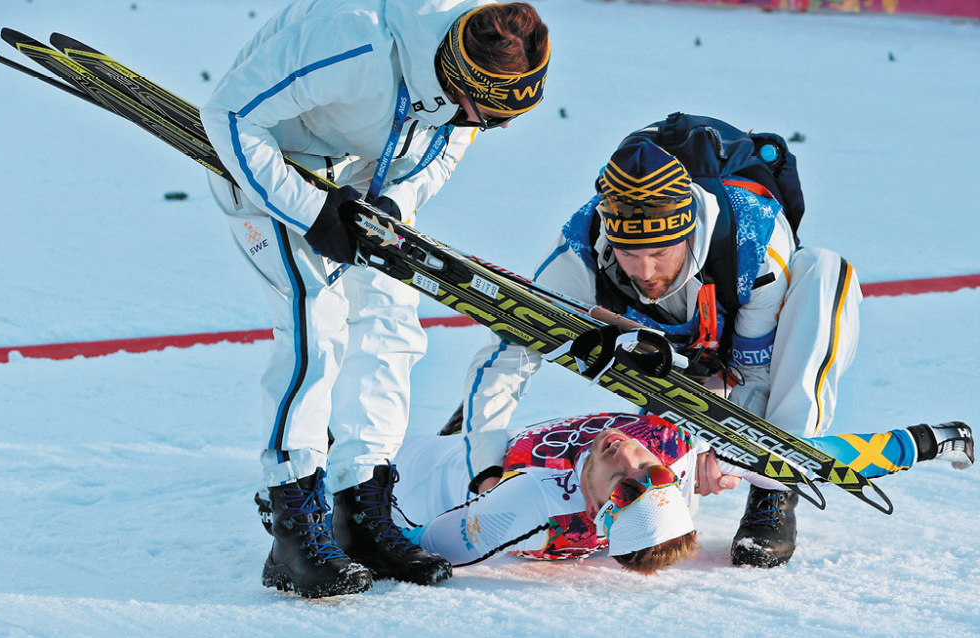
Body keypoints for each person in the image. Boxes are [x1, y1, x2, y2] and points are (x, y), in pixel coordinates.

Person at [199, 0, 550, 598]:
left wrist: (395, 204)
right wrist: (313, 211)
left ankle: (361, 510)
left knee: (391, 326)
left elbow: (446, 144)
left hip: (366, 180)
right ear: (452, 76)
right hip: (275, 168)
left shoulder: (474, 71)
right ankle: (294, 528)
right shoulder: (352, 40)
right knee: (315, 327)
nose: (499, 126)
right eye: (488, 114)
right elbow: (229, 114)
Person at [455, 129, 863, 569]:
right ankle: (468, 428)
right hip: (652, 352)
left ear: (689, 231)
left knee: (825, 270)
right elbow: (508, 354)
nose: (645, 271)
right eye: (629, 253)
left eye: (660, 251)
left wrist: (728, 451)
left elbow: (756, 373)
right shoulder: (578, 250)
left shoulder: (756, 238)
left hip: (730, 347)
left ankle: (774, 486)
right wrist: (485, 464)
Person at [397, 413, 972, 573]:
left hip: (412, 479)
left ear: (595, 512)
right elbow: (812, 458)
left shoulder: (535, 508)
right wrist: (927, 442)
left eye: (626, 481)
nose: (627, 452)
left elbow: (421, 543)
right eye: (652, 471)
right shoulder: (669, 452)